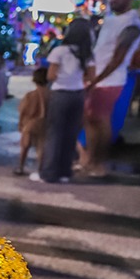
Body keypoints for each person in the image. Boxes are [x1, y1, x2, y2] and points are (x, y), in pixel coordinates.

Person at [83, 0, 140, 177]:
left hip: (110, 80)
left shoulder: (132, 23)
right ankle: (90, 160)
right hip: (97, 77)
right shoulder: (111, 20)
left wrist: (95, 80)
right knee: (91, 120)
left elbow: (118, 57)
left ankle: (99, 163)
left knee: (101, 121)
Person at [36, 19, 96, 183]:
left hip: (60, 93)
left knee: (54, 133)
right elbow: (92, 77)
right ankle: (64, 171)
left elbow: (50, 76)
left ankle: (48, 173)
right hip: (78, 94)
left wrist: (63, 77)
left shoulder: (60, 51)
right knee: (70, 134)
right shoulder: (87, 54)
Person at [15, 67, 49, 177]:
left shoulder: (30, 95)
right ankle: (40, 169)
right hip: (45, 123)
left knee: (25, 146)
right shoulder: (52, 95)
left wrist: (20, 123)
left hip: (30, 123)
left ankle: (20, 166)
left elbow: (23, 110)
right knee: (41, 147)